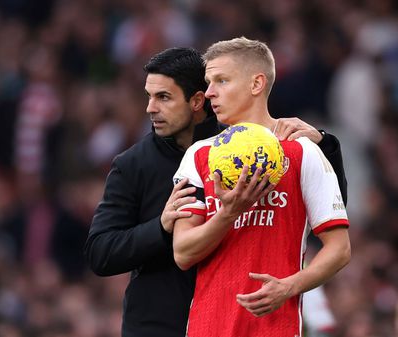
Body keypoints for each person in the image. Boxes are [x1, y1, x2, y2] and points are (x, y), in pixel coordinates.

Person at [84, 47, 348, 337]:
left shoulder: (254, 150)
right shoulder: (139, 164)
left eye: (163, 97)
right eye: (149, 96)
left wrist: (324, 146)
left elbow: (326, 215)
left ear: (196, 101)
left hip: (251, 318)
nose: (150, 108)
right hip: (160, 323)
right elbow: (101, 252)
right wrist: (161, 227)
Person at [172, 37, 351, 337]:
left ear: (256, 84)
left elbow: (340, 249)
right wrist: (227, 214)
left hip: (275, 328)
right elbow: (183, 252)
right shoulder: (198, 155)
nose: (209, 93)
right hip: (207, 328)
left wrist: (290, 286)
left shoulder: (301, 151)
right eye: (209, 82)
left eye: (222, 80)